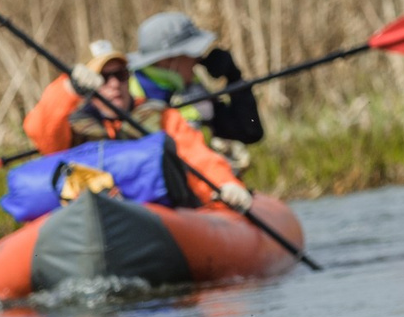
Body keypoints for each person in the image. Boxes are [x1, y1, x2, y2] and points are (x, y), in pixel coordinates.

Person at [15, 11, 264, 213]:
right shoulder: (71, 125)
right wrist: (67, 88)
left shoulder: (162, 115)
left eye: (121, 75)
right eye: (104, 77)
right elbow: (39, 130)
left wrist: (226, 184)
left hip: (155, 217)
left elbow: (197, 156)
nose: (114, 84)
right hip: (88, 216)